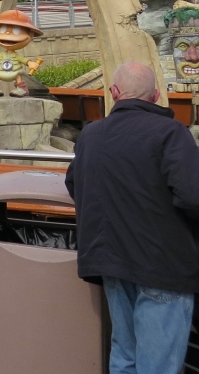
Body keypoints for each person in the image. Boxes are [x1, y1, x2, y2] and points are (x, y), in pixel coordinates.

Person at [66, 62, 199, 374]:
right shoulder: (171, 133)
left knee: (125, 354)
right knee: (160, 363)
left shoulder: (91, 134)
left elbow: (74, 183)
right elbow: (192, 195)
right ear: (155, 96)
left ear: (114, 93)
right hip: (162, 263)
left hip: (110, 259)